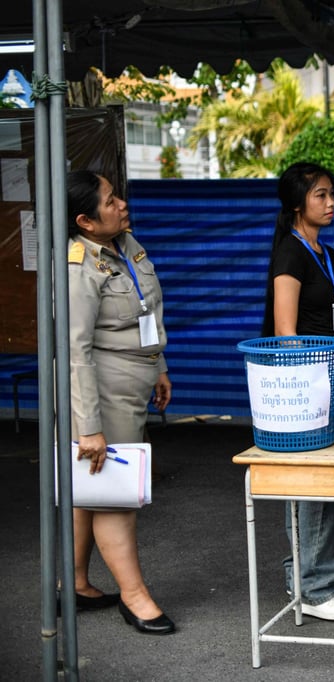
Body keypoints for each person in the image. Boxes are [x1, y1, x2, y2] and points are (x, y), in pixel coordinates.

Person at [67, 169, 175, 635]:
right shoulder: (80, 266)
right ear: (85, 221)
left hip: (136, 377)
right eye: (110, 201)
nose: (122, 204)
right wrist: (88, 426)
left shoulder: (124, 245)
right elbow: (74, 351)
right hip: (104, 390)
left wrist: (159, 366)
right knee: (113, 494)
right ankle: (135, 598)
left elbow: (145, 313)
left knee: (88, 491)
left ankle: (70, 583)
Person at [262, 162, 334, 621]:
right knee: (312, 483)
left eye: (331, 195)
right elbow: (286, 333)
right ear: (297, 203)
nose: (331, 203)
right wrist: (315, 387)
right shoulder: (291, 252)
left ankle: (313, 568)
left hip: (325, 376)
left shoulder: (321, 251)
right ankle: (315, 588)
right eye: (321, 195)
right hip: (300, 383)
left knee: (321, 482)